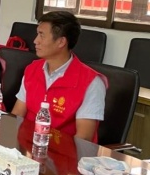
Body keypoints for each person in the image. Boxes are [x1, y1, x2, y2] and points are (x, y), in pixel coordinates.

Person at [11, 11, 106, 142]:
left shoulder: (92, 82)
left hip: (64, 151)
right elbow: (17, 115)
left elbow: (83, 138)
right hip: (27, 146)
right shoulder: (32, 69)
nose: (35, 41)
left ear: (61, 42)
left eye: (41, 35)